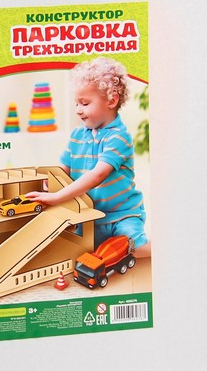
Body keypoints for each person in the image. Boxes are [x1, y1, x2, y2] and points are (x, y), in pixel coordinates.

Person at [26, 57, 150, 258]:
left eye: (84, 103)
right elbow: (62, 170)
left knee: (133, 248)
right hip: (89, 216)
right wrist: (48, 186)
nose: (78, 110)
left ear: (111, 101)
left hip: (122, 215)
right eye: (76, 103)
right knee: (76, 251)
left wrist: (57, 197)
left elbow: (98, 175)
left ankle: (170, 252)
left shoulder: (119, 137)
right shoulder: (77, 135)